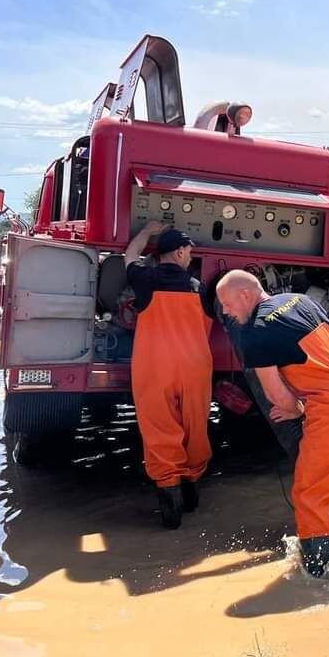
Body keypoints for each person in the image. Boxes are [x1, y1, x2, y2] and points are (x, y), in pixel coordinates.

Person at [215, 270, 329, 577]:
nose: (225, 311)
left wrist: (295, 410)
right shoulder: (301, 300)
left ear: (244, 295)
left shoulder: (254, 331)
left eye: (226, 304)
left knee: (309, 491)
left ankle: (320, 576)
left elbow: (277, 396)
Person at [124, 222, 213, 529]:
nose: (191, 257)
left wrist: (147, 231)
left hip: (155, 368)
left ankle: (171, 514)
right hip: (195, 368)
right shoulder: (199, 288)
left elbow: (129, 254)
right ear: (177, 252)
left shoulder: (144, 279)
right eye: (189, 251)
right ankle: (192, 496)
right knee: (195, 429)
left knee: (160, 430)